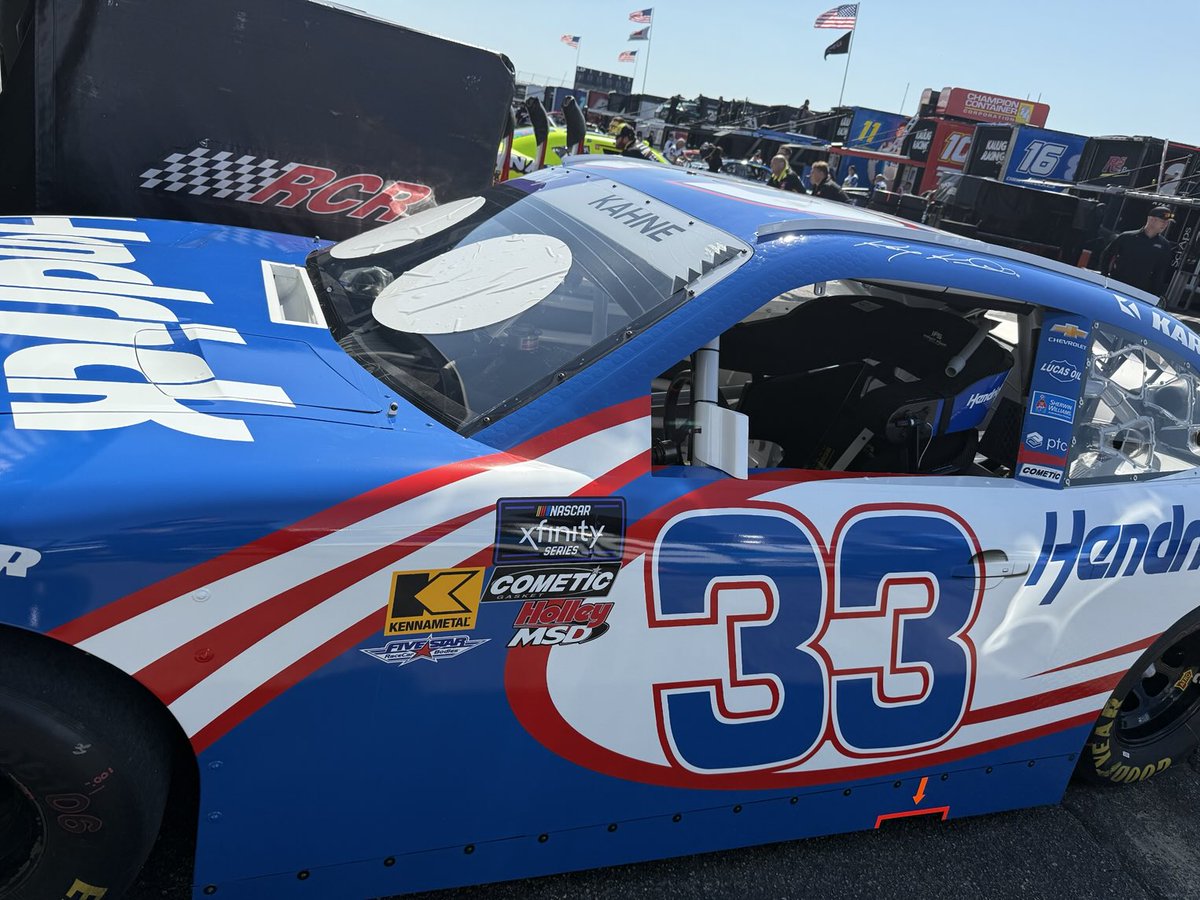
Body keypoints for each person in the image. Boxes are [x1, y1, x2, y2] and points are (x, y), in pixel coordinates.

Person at [1098, 206, 1176, 295]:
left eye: (1167, 223)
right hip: (1115, 285)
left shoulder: (1164, 245)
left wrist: (1154, 294)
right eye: (1163, 221)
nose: (1165, 225)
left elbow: (1160, 272)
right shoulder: (1127, 237)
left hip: (1140, 291)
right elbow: (1107, 255)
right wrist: (1104, 276)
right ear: (1151, 219)